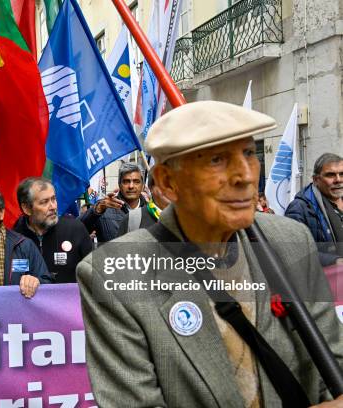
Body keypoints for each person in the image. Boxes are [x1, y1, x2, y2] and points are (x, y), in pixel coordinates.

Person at [77, 101, 343, 407]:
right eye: (217, 160)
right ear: (167, 182)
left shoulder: (288, 239)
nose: (245, 175)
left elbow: (332, 360)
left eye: (248, 154)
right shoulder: (115, 272)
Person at [13, 177, 92, 283]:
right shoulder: (16, 238)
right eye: (44, 202)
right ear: (26, 208)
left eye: (53, 199)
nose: (53, 206)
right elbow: (14, 275)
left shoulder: (75, 229)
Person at [286, 153, 343, 266]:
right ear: (316, 180)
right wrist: (334, 261)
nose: (338, 180)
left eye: (342, 174)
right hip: (326, 278)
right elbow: (294, 251)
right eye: (330, 175)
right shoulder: (299, 208)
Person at [80, 163, 146, 242]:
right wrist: (96, 210)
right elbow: (77, 230)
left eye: (136, 181)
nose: (131, 186)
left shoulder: (152, 211)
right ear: (119, 184)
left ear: (143, 186)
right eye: (126, 181)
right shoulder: (103, 209)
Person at [117, 167, 171, 236]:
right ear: (151, 188)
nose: (131, 186)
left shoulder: (185, 219)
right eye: (164, 185)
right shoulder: (132, 218)